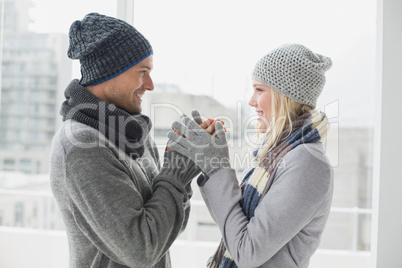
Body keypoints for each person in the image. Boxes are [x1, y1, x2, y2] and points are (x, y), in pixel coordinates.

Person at [50, 13, 201, 268]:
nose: (150, 85)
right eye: (143, 72)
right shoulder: (80, 145)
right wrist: (175, 173)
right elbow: (141, 251)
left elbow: (169, 228)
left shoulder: (133, 133)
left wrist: (181, 165)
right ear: (109, 72)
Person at [168, 44, 334, 267]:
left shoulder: (308, 162)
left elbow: (247, 253)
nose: (251, 101)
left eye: (259, 89)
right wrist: (208, 162)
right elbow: (232, 231)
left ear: (284, 95)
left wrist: (217, 165)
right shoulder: (276, 154)